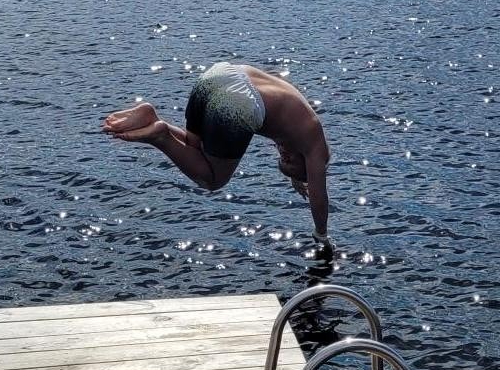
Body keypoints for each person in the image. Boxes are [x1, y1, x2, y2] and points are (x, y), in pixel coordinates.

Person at [103, 60, 333, 264]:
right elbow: (319, 197)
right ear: (309, 164)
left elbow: (294, 161)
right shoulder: (318, 148)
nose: (285, 157)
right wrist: (321, 235)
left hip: (221, 73)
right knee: (213, 179)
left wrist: (295, 177)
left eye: (283, 162)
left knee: (196, 151)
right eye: (291, 163)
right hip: (240, 98)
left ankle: (151, 117)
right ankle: (160, 136)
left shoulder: (298, 125)